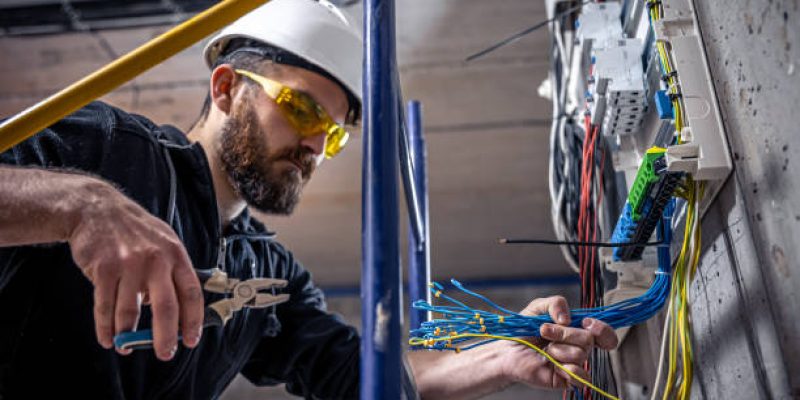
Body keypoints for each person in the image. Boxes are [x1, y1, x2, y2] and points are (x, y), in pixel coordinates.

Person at [0, 0, 618, 399]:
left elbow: (361, 377)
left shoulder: (268, 275)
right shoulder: (112, 151)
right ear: (225, 89)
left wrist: (503, 355)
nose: (314, 147)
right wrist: (79, 202)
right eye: (300, 109)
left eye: (335, 134)